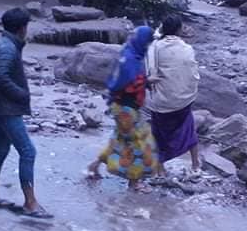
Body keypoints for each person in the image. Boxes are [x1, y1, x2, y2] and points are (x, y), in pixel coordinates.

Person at [0, 8, 52, 219]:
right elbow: (0, 77)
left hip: (0, 106)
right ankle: (30, 203)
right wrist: (21, 94)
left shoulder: (3, 44)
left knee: (1, 149)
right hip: (7, 108)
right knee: (28, 152)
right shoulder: (7, 49)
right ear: (22, 28)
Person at [86, 26, 161, 191]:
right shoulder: (131, 59)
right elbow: (128, 84)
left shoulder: (128, 54)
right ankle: (135, 182)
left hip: (121, 107)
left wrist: (146, 81)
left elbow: (124, 81)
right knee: (139, 144)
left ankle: (94, 166)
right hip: (126, 109)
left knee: (119, 140)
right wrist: (147, 81)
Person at [146, 15, 202, 174]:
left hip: (162, 102)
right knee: (189, 128)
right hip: (184, 99)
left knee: (158, 133)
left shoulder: (155, 47)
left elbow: (151, 72)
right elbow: (193, 74)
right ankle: (196, 164)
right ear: (179, 30)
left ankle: (160, 168)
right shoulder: (187, 48)